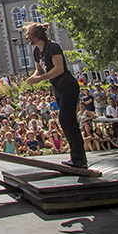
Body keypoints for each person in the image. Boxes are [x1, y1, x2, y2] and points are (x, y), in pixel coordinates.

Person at [26, 22, 88, 169]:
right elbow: (39, 70)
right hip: (57, 87)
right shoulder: (37, 51)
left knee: (67, 120)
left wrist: (40, 79)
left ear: (36, 35)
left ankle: (80, 159)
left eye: (28, 34)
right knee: (65, 121)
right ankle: (76, 158)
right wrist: (34, 77)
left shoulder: (52, 47)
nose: (26, 37)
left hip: (67, 85)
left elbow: (59, 69)